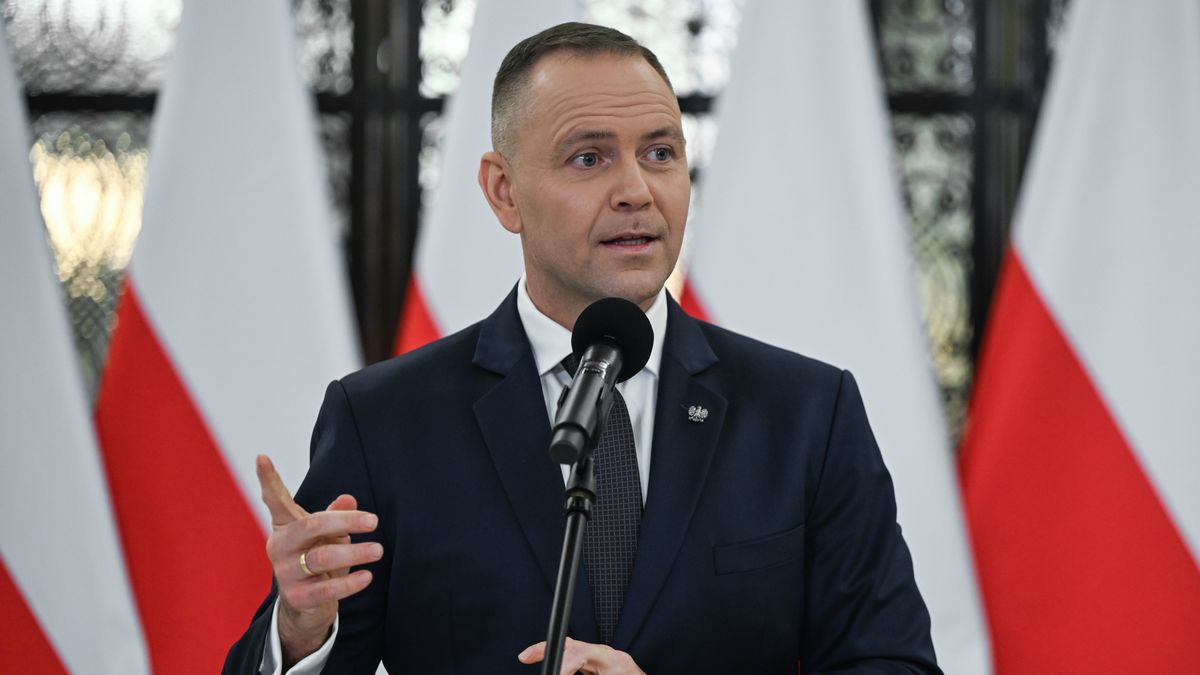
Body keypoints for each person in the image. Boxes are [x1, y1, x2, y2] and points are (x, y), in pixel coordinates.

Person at [224, 22, 940, 675]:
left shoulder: (806, 416)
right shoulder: (384, 421)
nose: (636, 190)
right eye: (589, 157)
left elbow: (891, 665)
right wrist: (301, 630)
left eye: (660, 152)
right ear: (504, 192)